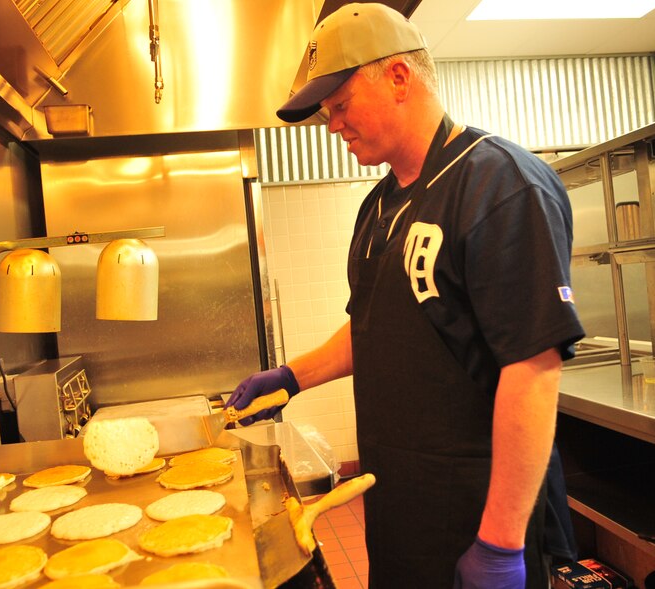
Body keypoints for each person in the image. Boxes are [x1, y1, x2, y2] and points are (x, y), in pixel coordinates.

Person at [226, 3, 585, 588]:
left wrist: (499, 544)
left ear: (398, 78)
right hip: (398, 508)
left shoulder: (499, 183)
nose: (333, 124)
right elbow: (374, 326)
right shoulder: (379, 206)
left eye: (340, 105)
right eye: (326, 112)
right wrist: (292, 376)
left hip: (478, 514)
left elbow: (534, 368)